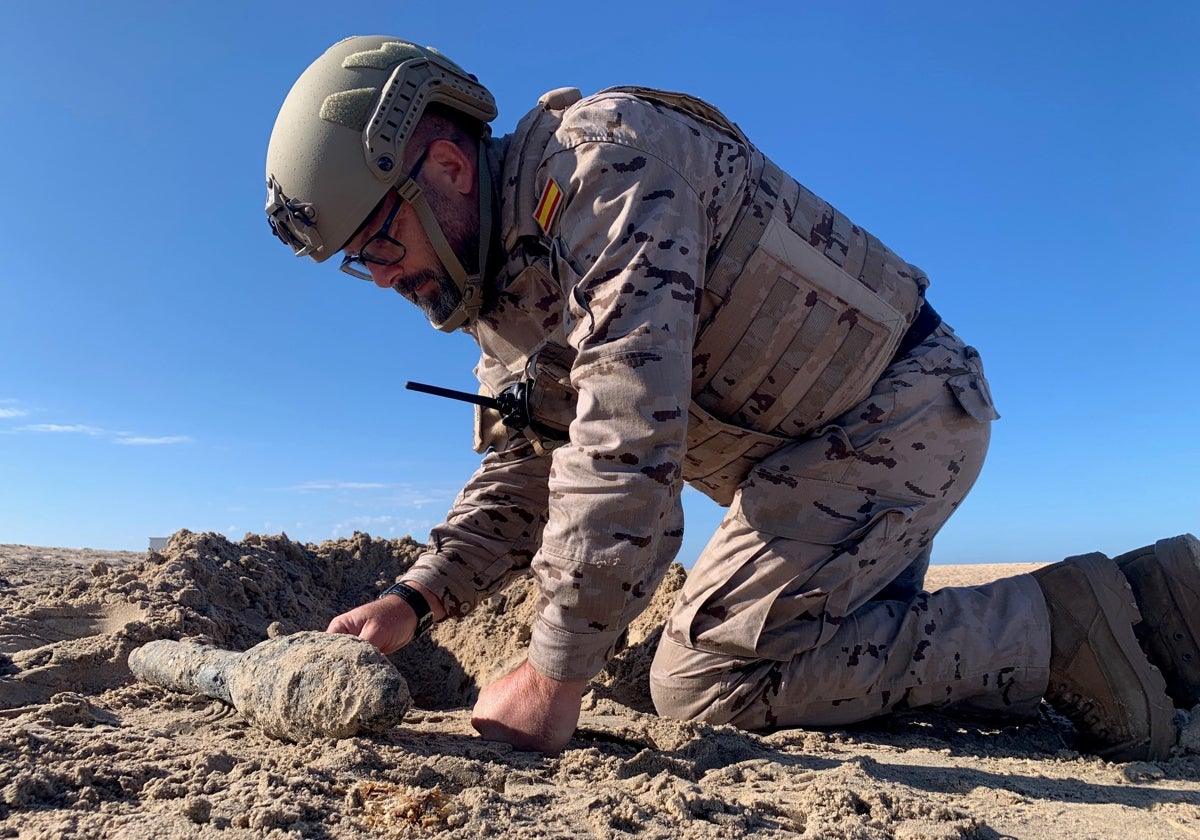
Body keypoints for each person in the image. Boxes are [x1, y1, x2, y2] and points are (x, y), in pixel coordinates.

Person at [264, 36, 1199, 758]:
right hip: (806, 472)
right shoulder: (502, 302)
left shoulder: (603, 164)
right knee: (816, 674)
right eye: (359, 266)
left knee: (707, 683)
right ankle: (1154, 609)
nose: (381, 280)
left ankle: (1067, 628)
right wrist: (415, 598)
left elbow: (627, 437)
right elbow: (528, 473)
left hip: (895, 417)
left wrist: (553, 676)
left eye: (378, 248)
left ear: (448, 173)